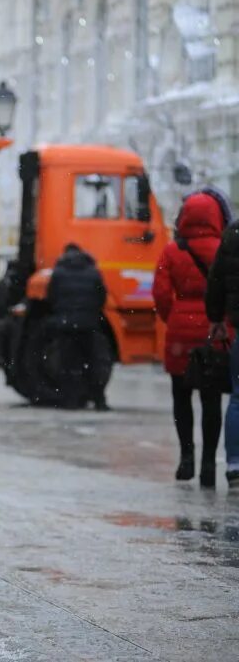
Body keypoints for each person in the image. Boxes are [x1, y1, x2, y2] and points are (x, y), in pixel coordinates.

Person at [154, 191, 225, 487]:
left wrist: (174, 317)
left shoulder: (172, 251)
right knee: (211, 399)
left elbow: (159, 293)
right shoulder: (224, 247)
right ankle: (209, 463)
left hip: (180, 331)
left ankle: (186, 457)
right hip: (213, 332)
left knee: (181, 396)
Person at [46, 243, 108, 409]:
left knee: (68, 365)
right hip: (88, 325)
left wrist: (62, 313)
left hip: (66, 325)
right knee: (93, 363)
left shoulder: (58, 273)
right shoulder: (93, 272)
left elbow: (51, 296)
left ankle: (71, 401)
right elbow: (101, 297)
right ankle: (99, 400)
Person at [205, 208, 239, 491]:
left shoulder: (232, 234)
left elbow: (215, 281)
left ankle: (235, 466)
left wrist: (216, 317)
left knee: (238, 398)